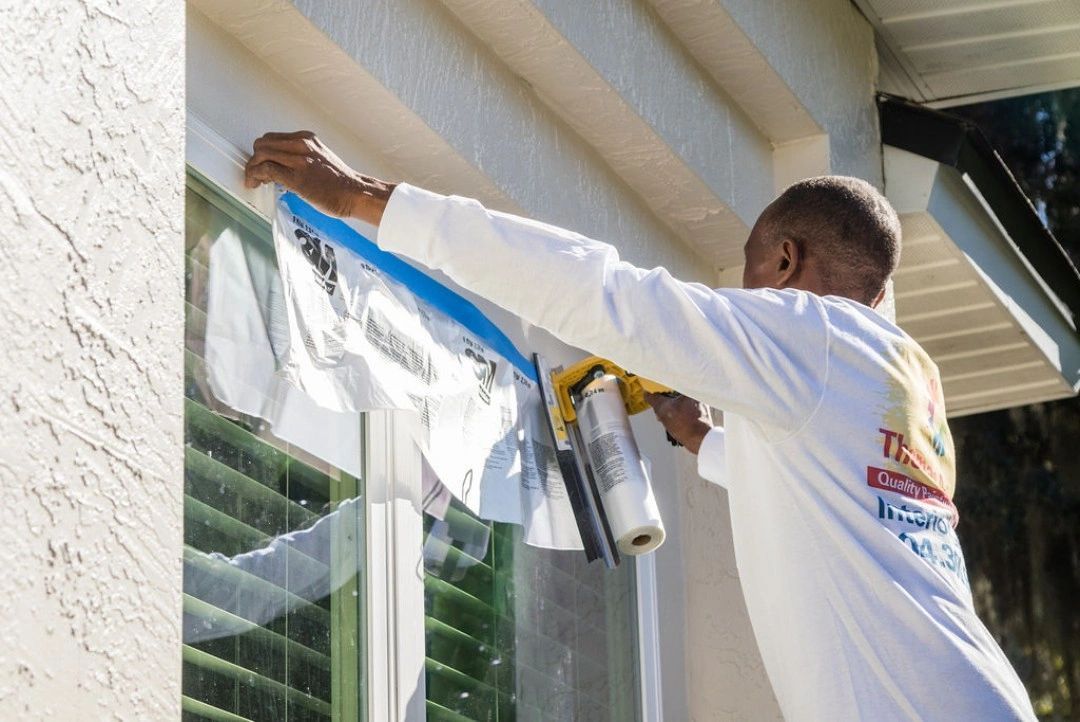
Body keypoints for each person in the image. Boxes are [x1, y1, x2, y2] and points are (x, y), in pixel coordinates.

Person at [244, 131, 1036, 721]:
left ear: (787, 264)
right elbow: (832, 498)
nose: (747, 299)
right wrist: (702, 440)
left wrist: (369, 202)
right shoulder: (902, 376)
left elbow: (608, 294)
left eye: (752, 271)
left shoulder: (809, 334)